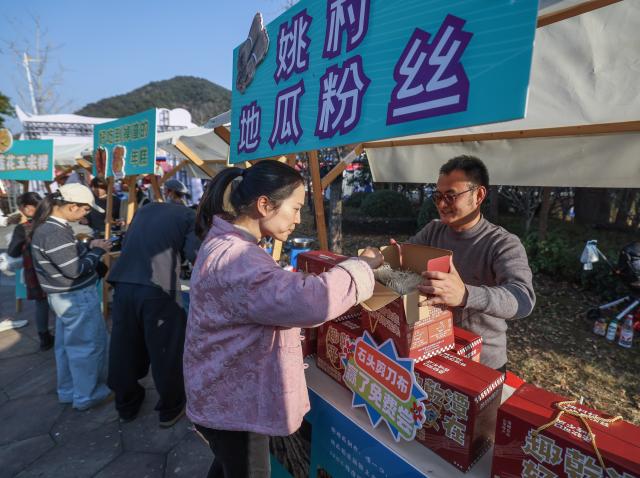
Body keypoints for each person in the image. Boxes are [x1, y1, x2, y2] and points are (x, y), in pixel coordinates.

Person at [184, 160, 383, 478]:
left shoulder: (224, 242)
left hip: (218, 395)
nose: (299, 218)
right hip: (237, 408)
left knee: (226, 466)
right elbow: (313, 301)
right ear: (264, 204)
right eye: (295, 207)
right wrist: (362, 265)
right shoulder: (241, 258)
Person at [409, 155, 535, 372]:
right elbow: (406, 255)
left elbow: (523, 298)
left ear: (478, 195)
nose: (441, 204)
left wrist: (465, 295)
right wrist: (390, 255)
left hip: (482, 361)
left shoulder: (503, 243)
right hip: (433, 346)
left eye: (450, 196)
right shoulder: (433, 230)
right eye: (437, 196)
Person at [106, 182, 200, 427]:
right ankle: (171, 408)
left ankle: (126, 405)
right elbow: (196, 255)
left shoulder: (145, 209)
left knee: (124, 346)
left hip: (123, 283)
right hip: (158, 287)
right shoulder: (191, 216)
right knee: (166, 350)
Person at [30, 184, 113, 410]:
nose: (86, 214)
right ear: (72, 207)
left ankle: (70, 391)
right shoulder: (55, 231)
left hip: (62, 297)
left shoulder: (48, 227)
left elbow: (66, 259)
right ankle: (88, 395)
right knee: (88, 346)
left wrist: (88, 245)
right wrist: (97, 252)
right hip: (75, 296)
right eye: (85, 210)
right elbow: (74, 270)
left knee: (68, 347)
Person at [7, 192, 54, 350]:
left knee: (41, 304)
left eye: (21, 208)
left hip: (35, 271)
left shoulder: (24, 228)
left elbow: (12, 252)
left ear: (27, 208)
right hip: (55, 270)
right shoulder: (52, 222)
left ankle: (44, 338)